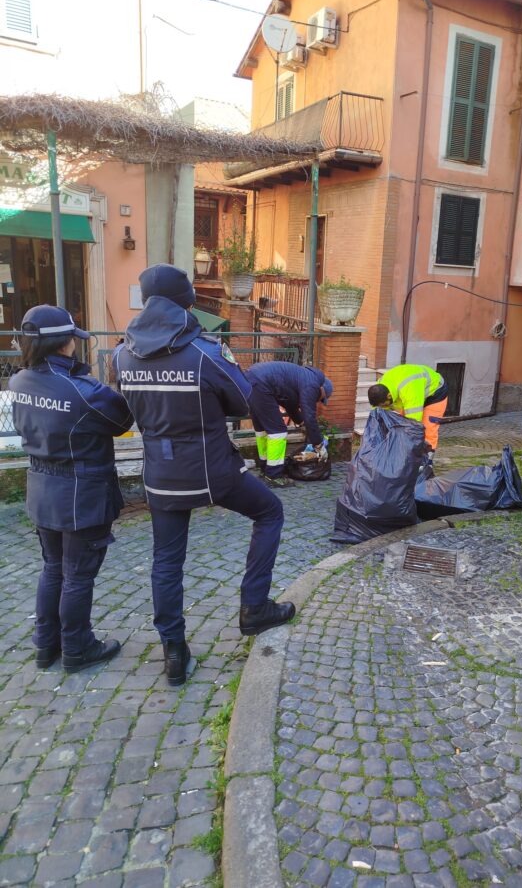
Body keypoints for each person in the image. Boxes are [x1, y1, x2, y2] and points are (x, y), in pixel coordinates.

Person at [114, 264, 294, 686]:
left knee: (166, 560)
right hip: (213, 470)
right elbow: (243, 401)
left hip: (159, 471)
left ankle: (174, 652)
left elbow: (125, 404)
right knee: (270, 513)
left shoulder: (123, 353)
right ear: (187, 303)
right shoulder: (205, 352)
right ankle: (255, 608)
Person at [9, 305, 133, 673]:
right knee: (78, 575)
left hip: (42, 487)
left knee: (52, 568)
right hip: (81, 491)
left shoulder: (18, 382)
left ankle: (46, 646)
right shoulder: (81, 390)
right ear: (65, 344)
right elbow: (122, 419)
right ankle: (78, 648)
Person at [245, 361, 333, 485]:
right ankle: (274, 476)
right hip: (261, 384)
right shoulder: (312, 385)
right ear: (322, 390)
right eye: (321, 398)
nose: (319, 401)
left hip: (252, 378)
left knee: (263, 430)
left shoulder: (303, 378)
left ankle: (265, 468)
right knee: (278, 432)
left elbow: (291, 405)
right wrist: (318, 444)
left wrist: (301, 422)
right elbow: (310, 416)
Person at [367, 364, 449, 453]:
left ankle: (426, 460)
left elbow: (414, 422)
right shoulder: (381, 386)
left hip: (435, 393)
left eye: (384, 405)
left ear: (389, 396)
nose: (384, 407)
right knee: (402, 425)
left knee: (427, 429)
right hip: (414, 390)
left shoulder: (410, 392)